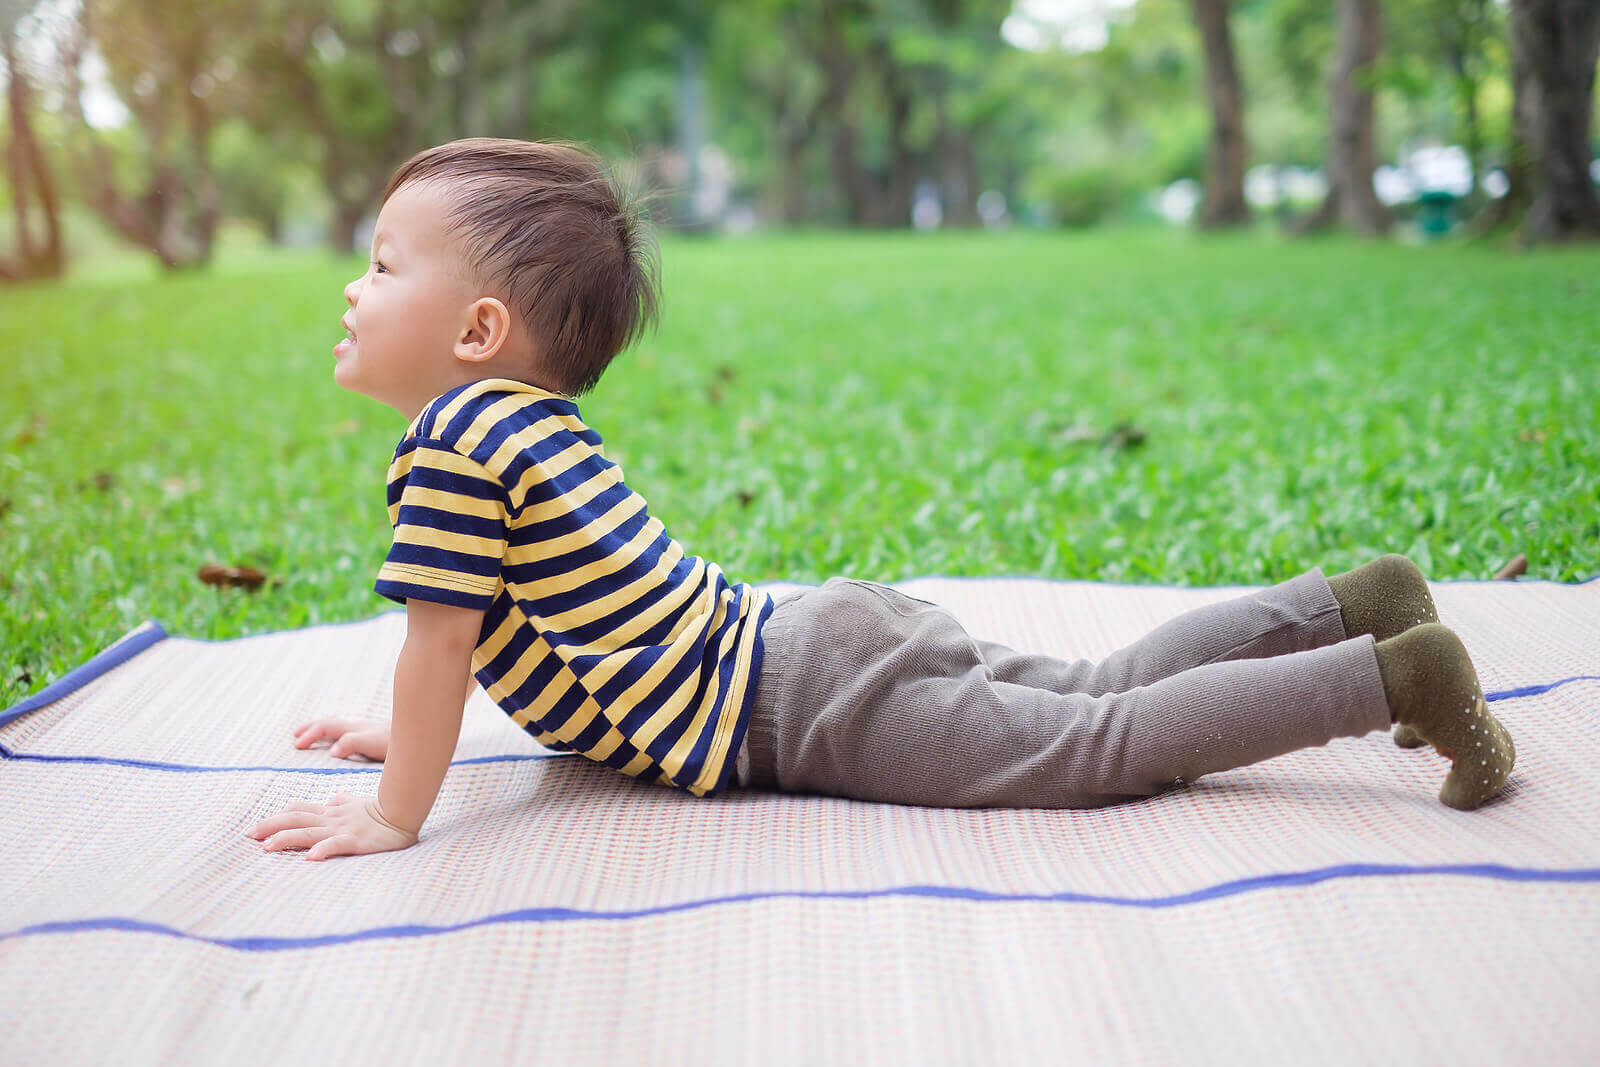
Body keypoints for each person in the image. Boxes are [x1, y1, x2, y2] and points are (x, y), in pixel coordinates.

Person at [246, 138, 1516, 861]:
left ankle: (1393, 680)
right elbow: (493, 628)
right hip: (810, 640)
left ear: (476, 327)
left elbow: (442, 636)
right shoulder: (520, 422)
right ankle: (1356, 600)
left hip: (795, 703)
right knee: (1096, 685)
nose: (352, 288)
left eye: (380, 261)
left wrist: (394, 808)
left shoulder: (456, 442)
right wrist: (405, 732)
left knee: (1095, 747)